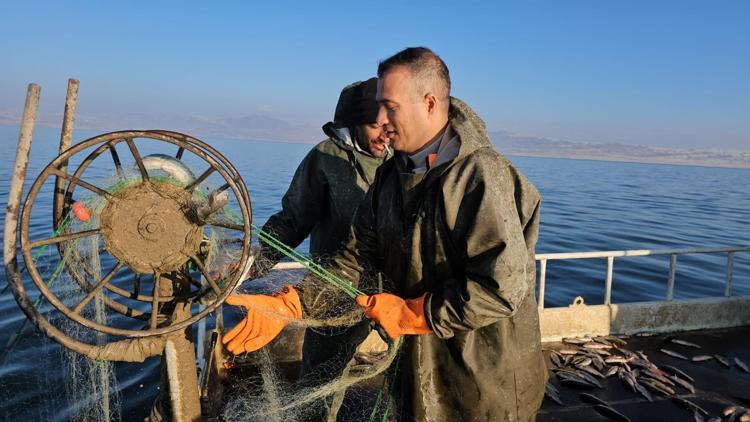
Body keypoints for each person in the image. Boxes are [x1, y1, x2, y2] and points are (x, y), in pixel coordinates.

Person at [225, 47, 546, 421]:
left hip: (483, 377)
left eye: (390, 106)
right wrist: (294, 302)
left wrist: (412, 312)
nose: (381, 119)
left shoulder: (480, 177)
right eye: (379, 106)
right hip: (417, 365)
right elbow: (357, 256)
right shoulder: (391, 177)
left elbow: (502, 287)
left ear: (429, 103)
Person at [223, 77, 390, 417]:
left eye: (390, 124)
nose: (385, 134)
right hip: (333, 290)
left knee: (403, 385)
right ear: (353, 124)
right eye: (375, 125)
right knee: (319, 387)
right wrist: (250, 267)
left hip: (393, 297)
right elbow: (292, 221)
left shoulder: (402, 160)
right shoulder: (324, 158)